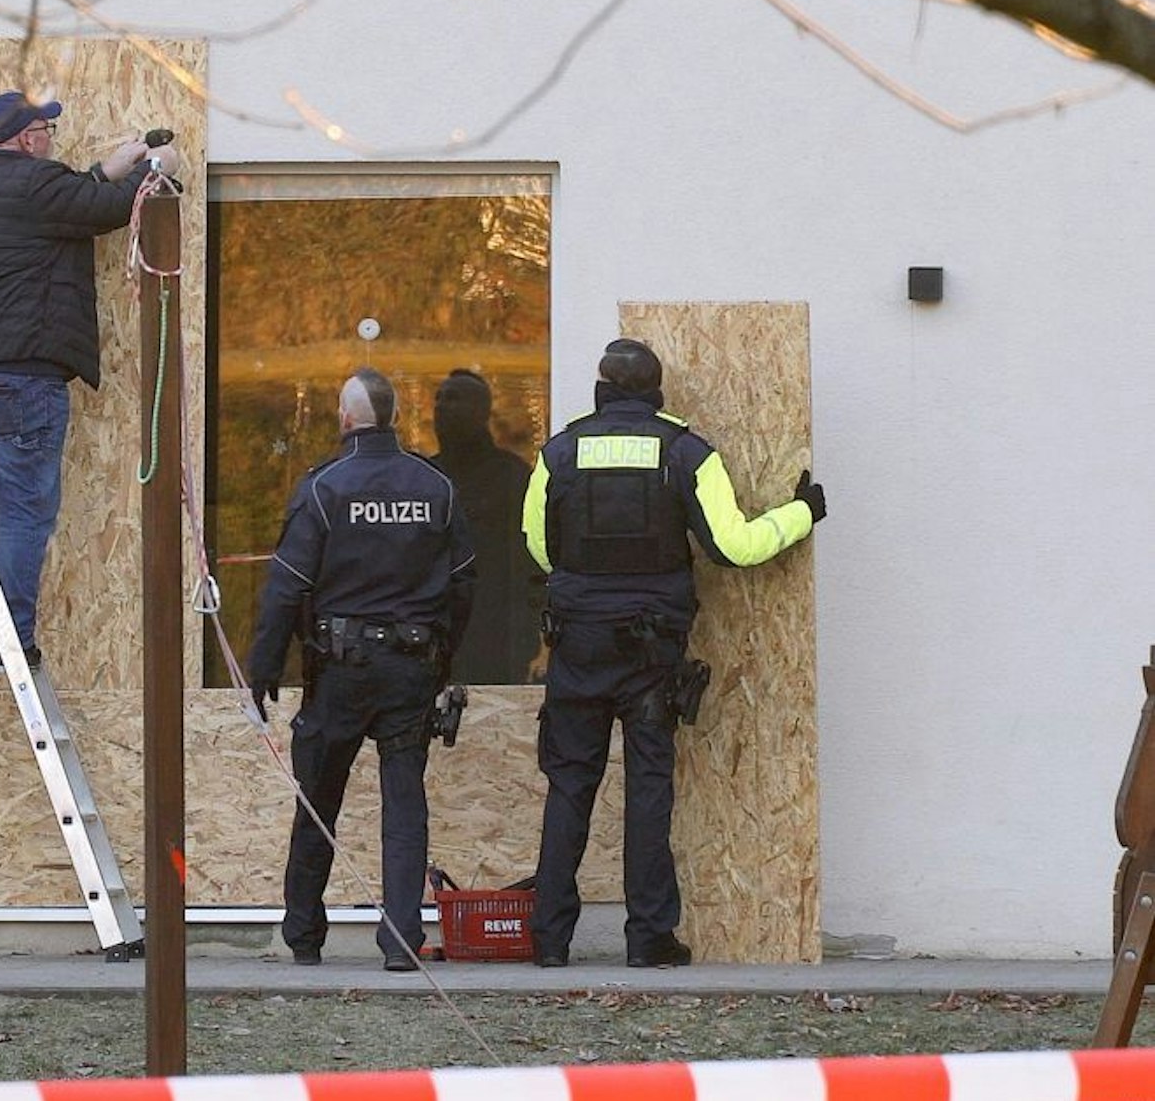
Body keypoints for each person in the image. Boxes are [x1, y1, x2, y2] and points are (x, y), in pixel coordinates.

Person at [520, 338, 826, 968]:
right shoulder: (685, 450)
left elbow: (538, 547)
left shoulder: (560, 451)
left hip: (577, 642)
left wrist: (585, 587)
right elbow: (734, 547)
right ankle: (649, 938)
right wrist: (802, 513)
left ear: (601, 385)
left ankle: (549, 941)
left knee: (569, 786)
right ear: (656, 389)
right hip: (651, 650)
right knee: (649, 788)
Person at [0, 90, 182, 665]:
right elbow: (103, 208)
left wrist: (115, 164)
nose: (51, 137)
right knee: (25, 511)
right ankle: (11, 635)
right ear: (27, 139)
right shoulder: (39, 188)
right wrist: (153, 169)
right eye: (45, 129)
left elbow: (71, 196)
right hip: (21, 379)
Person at [246, 368, 477, 971]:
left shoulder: (324, 488)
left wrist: (264, 668)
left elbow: (284, 589)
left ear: (346, 418)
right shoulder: (435, 486)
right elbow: (464, 585)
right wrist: (441, 659)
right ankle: (402, 939)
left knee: (318, 801)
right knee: (405, 803)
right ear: (393, 416)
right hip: (410, 667)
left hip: (340, 670)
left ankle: (303, 934)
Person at [430, 368, 541, 684]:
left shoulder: (511, 478)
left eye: (453, 399)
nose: (441, 407)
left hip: (496, 640)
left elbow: (531, 563)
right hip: (435, 634)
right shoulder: (427, 478)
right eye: (439, 399)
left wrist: (525, 636)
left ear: (480, 412)